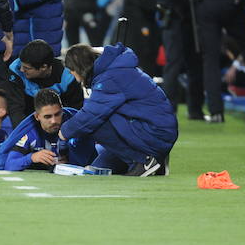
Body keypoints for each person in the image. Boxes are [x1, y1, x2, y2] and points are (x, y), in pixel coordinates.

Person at [61, 43, 178, 176]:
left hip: (155, 132)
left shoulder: (109, 77)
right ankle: (156, 162)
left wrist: (64, 131)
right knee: (99, 168)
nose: (73, 75)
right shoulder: (112, 70)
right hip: (153, 128)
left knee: (93, 123)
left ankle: (143, 160)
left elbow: (90, 116)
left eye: (72, 71)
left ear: (79, 67)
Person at [0, 89, 96, 172]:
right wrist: (32, 158)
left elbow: (89, 158)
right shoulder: (29, 132)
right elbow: (10, 163)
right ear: (37, 117)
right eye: (47, 117)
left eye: (57, 114)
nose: (54, 121)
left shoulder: (74, 124)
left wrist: (70, 162)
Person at [6, 39, 83, 127]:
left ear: (43, 67)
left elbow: (75, 109)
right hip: (28, 118)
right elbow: (15, 108)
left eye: (27, 68)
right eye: (22, 65)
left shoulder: (68, 76)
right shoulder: (16, 70)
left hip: (58, 121)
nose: (22, 70)